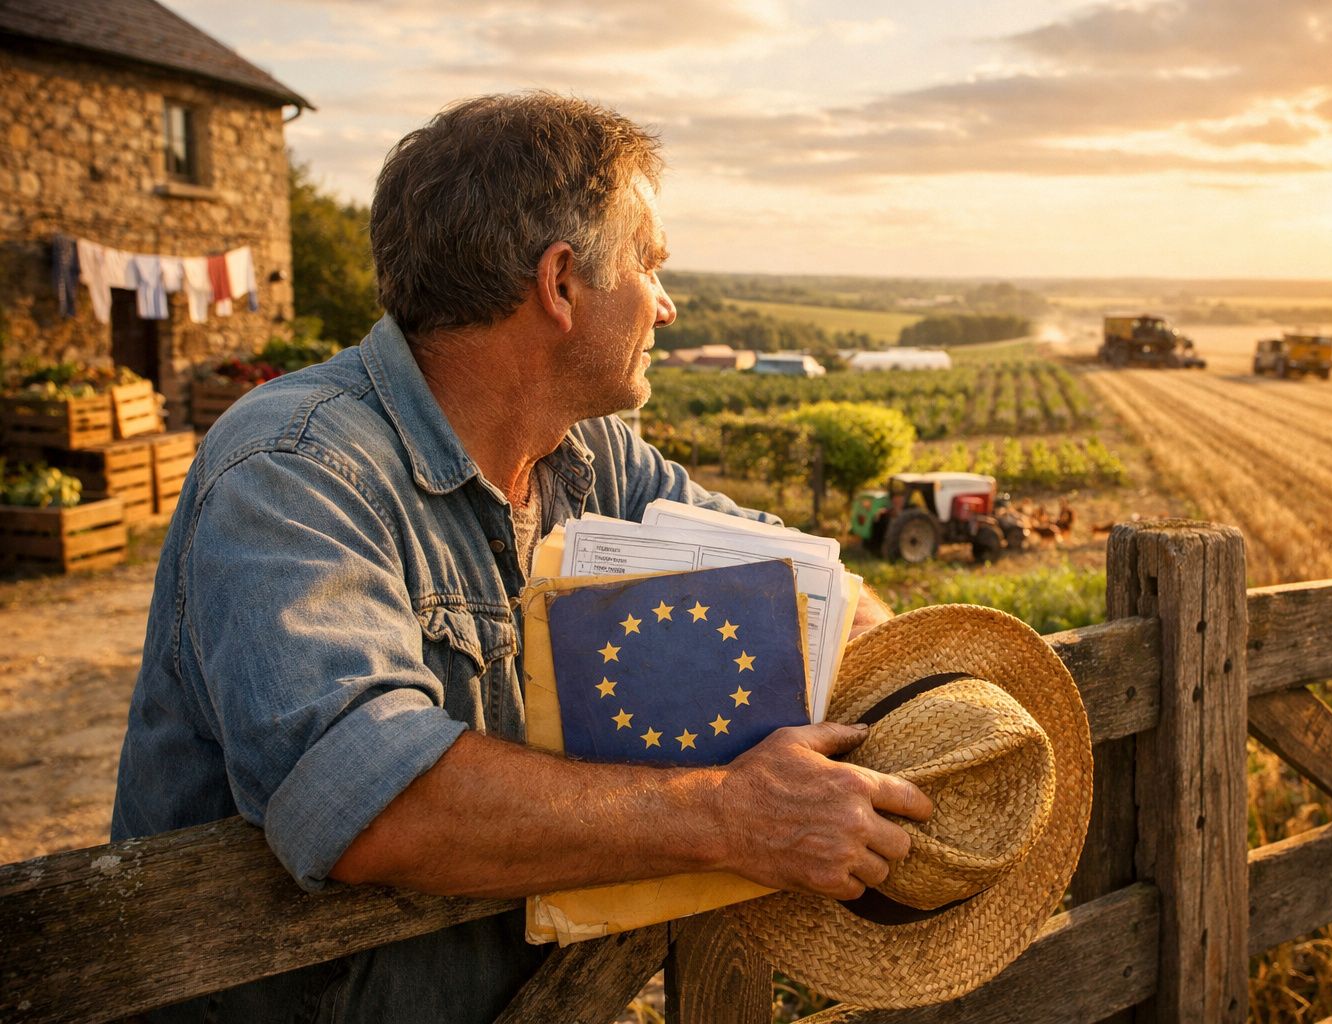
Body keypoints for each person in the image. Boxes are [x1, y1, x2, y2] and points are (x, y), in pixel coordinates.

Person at [111, 92, 932, 1022]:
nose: (664, 307)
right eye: (649, 266)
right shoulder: (294, 469)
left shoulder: (591, 456)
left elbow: (806, 585)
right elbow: (372, 801)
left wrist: (869, 646)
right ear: (561, 283)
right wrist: (729, 816)